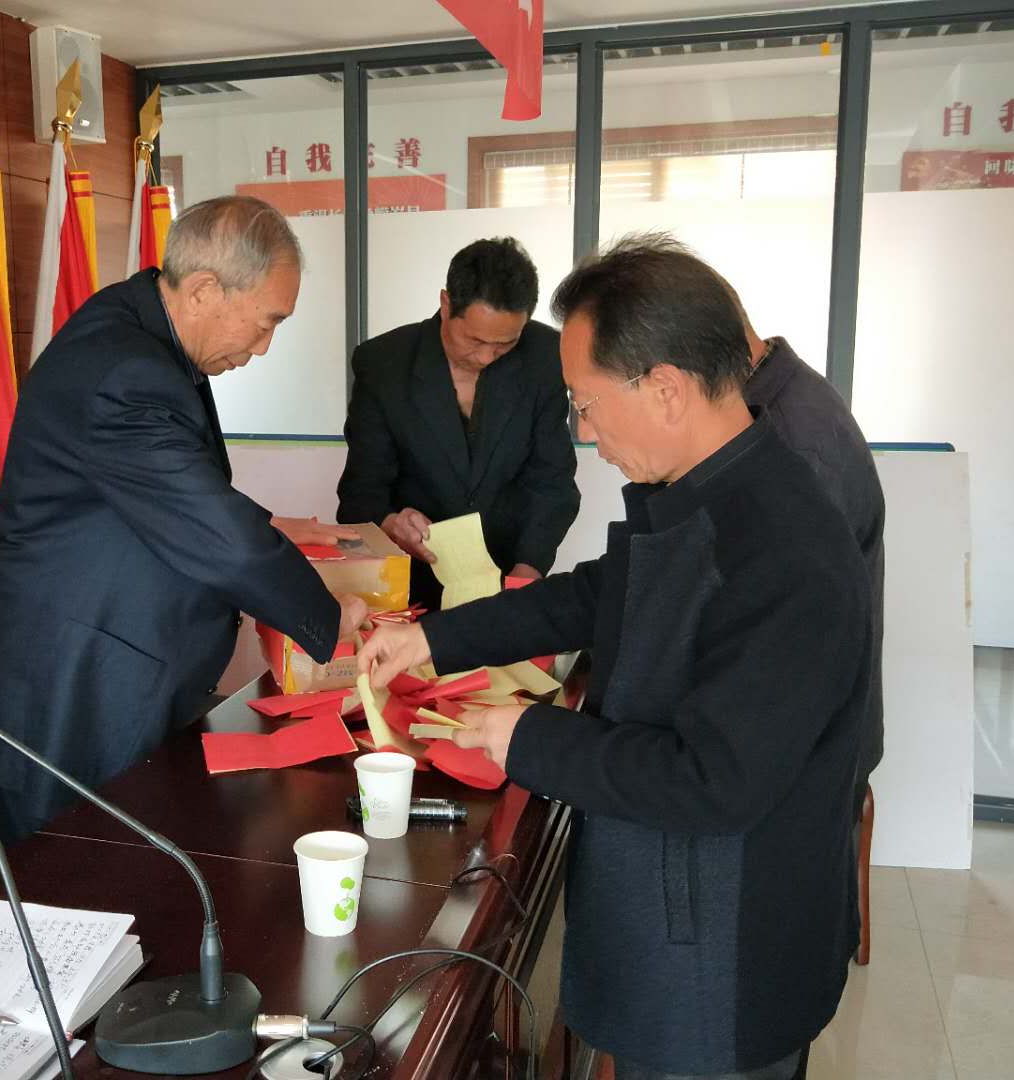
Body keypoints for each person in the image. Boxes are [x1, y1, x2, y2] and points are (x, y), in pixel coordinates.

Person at [359, 234, 872, 1080]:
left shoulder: (785, 546)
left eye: (587, 404)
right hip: (679, 930)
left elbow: (714, 781)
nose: (586, 433)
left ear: (665, 387)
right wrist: (433, 637)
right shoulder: (715, 486)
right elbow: (596, 595)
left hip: (723, 966)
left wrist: (525, 737)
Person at [0, 196, 367, 842]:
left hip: (96, 667)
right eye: (266, 323)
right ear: (203, 290)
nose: (264, 347)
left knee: (123, 867)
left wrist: (270, 525)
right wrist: (330, 618)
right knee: (71, 873)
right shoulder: (126, 371)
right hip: (64, 690)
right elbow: (219, 537)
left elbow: (160, 486)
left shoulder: (141, 329)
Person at [336, 237, 579, 607]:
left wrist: (528, 568)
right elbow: (360, 492)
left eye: (505, 344)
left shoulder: (544, 356)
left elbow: (552, 480)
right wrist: (390, 523)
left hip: (507, 577)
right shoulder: (385, 364)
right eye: (474, 340)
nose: (486, 357)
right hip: (410, 584)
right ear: (446, 304)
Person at [728, 285, 886, 818]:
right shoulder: (780, 398)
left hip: (811, 752)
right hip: (804, 735)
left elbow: (784, 625)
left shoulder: (794, 439)